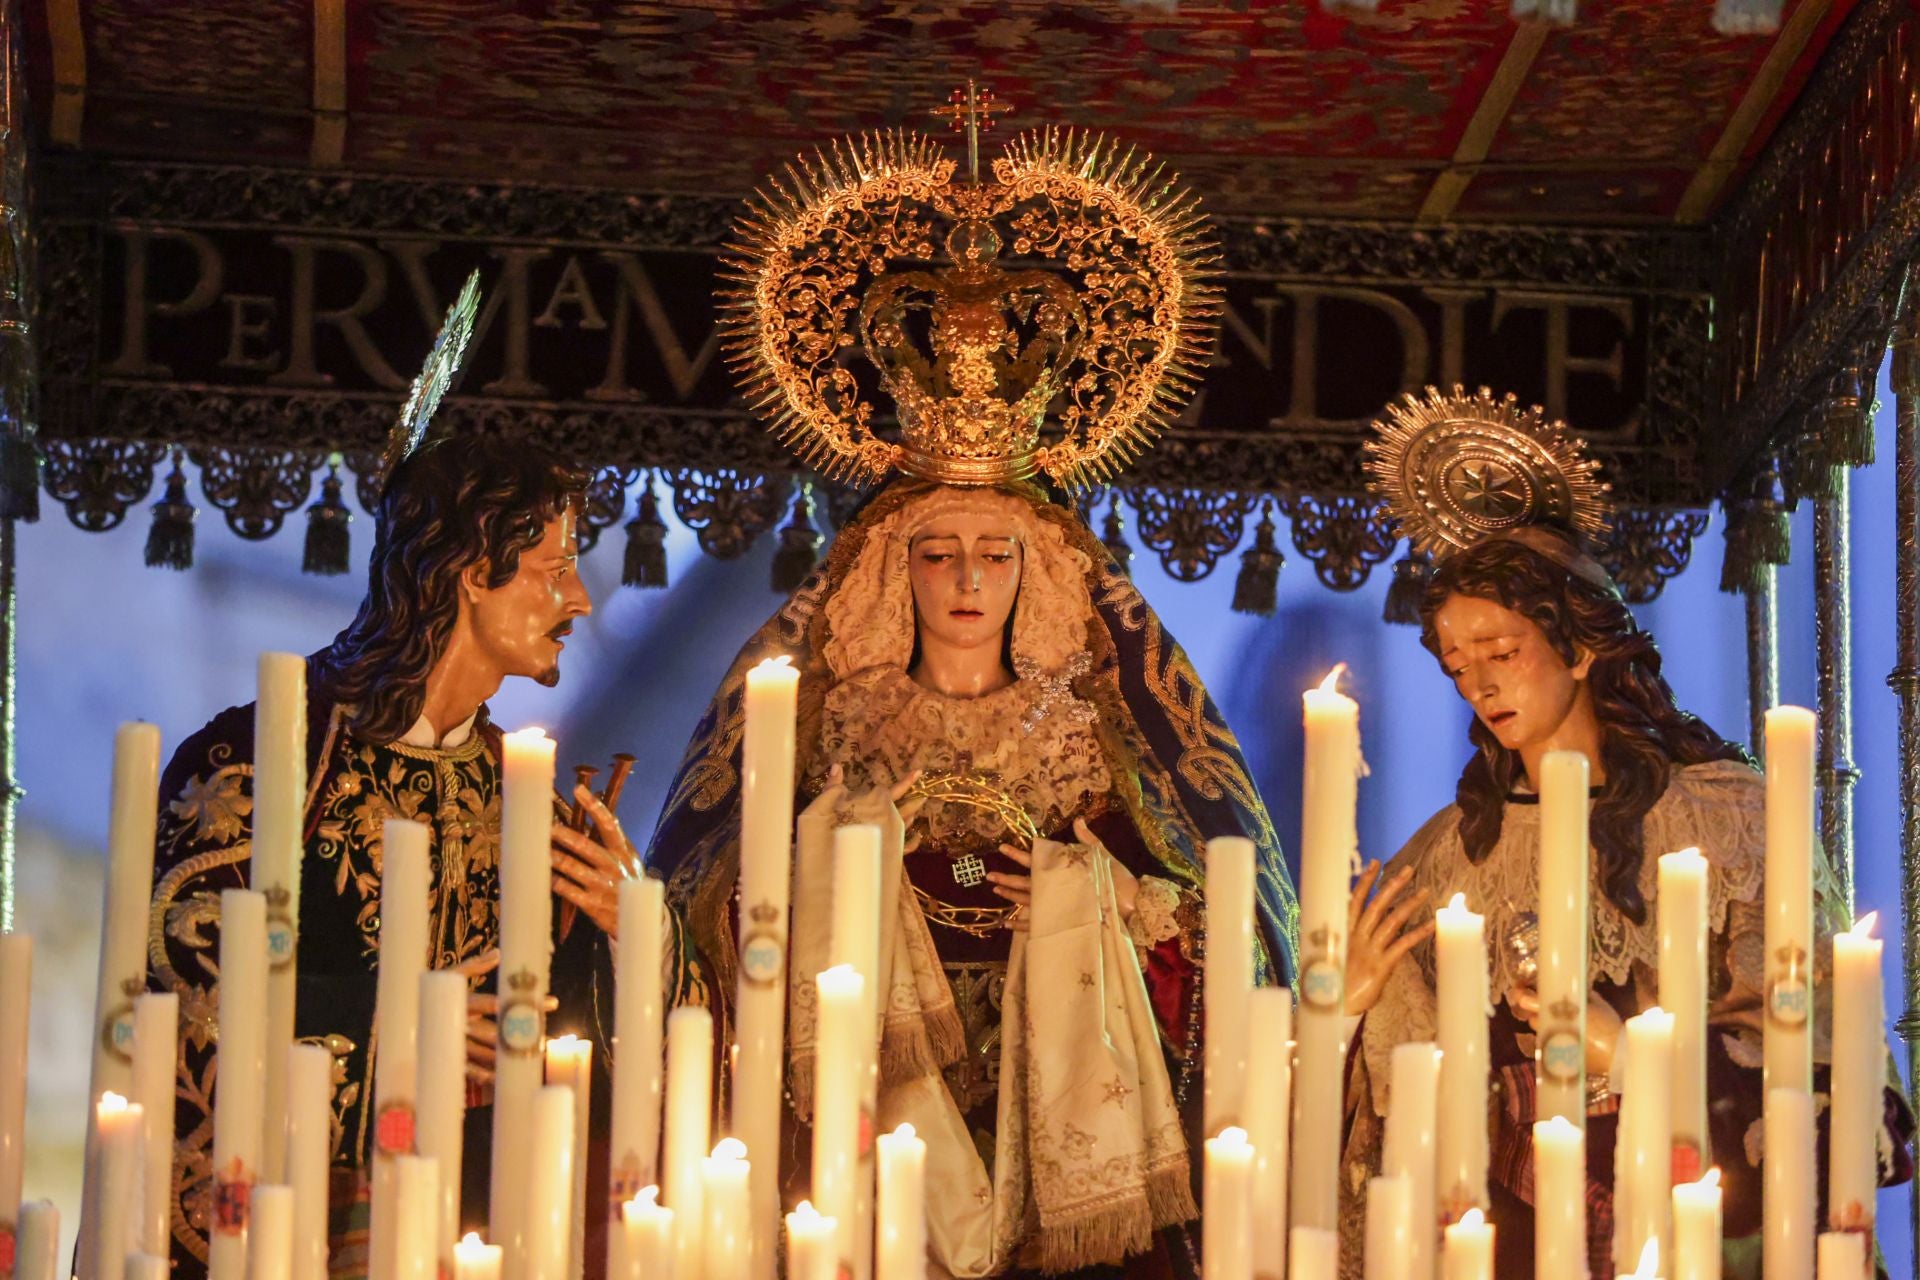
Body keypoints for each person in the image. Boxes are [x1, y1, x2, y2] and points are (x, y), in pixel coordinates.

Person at [1342, 387, 1914, 1279]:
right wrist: (1352, 1001)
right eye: (1458, 665)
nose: (1479, 686)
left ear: (1578, 647)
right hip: (1519, 1225)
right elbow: (1404, 1091)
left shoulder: (1727, 819)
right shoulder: (1449, 853)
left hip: (1699, 1205)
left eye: (1502, 652)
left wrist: (1634, 1055)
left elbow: (1808, 1038)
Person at [147, 420, 601, 1274]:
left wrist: (626, 921)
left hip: (475, 1227)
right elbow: (187, 999)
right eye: (553, 571)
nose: (579, 600)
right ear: (474, 575)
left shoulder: (522, 788)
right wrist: (396, 1025)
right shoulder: (253, 764)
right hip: (294, 1228)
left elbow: (568, 1027)